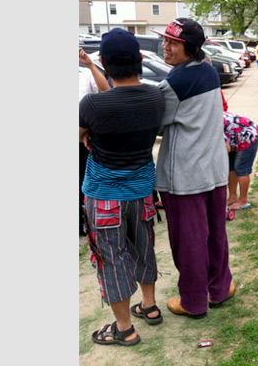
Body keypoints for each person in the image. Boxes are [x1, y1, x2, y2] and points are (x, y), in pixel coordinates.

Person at [79, 28, 165, 345]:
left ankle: (125, 328)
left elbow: (84, 127)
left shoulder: (92, 105)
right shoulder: (156, 96)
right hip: (141, 191)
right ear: (141, 59)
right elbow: (115, 98)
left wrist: (89, 133)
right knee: (143, 247)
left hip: (104, 196)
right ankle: (150, 305)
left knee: (112, 258)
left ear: (104, 60)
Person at [151, 18, 235, 319]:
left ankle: (194, 301)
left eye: (172, 42)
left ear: (189, 47)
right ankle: (219, 288)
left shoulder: (174, 84)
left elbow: (157, 122)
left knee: (188, 241)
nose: (165, 46)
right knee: (215, 235)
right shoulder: (209, 70)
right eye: (165, 40)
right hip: (213, 168)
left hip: (186, 174)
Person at [79, 47, 110, 236]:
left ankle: (85, 223)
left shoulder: (85, 73)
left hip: (82, 139)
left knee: (82, 180)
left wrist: (90, 65)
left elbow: (105, 92)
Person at [223, 111, 258, 211]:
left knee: (241, 168)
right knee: (231, 166)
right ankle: (233, 197)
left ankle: (243, 200)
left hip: (248, 136)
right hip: (234, 138)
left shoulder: (212, 123)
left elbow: (226, 148)